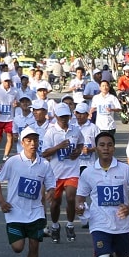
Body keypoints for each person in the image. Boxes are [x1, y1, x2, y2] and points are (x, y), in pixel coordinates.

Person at [0, 126, 57, 257]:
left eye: (35, 140)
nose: (32, 143)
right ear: (22, 143)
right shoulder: (13, 162)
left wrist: (50, 192)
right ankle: (16, 235)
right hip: (15, 212)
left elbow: (51, 185)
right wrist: (1, 201)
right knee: (18, 248)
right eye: (29, 140)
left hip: (35, 212)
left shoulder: (45, 164)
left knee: (34, 246)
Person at [41, 104, 84, 242]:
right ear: (56, 116)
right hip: (56, 173)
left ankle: (70, 225)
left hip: (72, 171)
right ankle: (55, 226)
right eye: (61, 117)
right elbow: (44, 152)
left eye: (66, 116)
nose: (64, 119)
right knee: (55, 202)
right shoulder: (51, 132)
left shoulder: (75, 130)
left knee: (71, 198)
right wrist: (59, 147)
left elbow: (81, 143)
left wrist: (77, 152)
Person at [0, 73, 19, 160]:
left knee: (10, 136)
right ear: (2, 81)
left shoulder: (15, 91)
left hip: (10, 119)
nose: (7, 83)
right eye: (6, 81)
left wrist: (17, 104)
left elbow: (19, 102)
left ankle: (6, 155)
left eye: (9, 81)